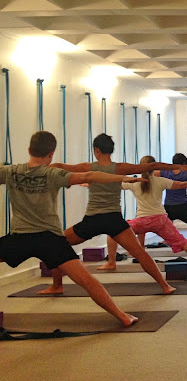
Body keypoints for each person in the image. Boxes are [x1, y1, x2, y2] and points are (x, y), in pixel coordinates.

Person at [0, 131, 140, 326]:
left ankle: (121, 316)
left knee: (85, 279)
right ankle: (122, 316)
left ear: (29, 149)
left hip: (19, 238)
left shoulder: (10, 172)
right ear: (51, 154)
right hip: (50, 240)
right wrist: (125, 178)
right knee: (85, 280)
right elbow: (90, 175)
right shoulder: (54, 173)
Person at [39, 133, 187, 294]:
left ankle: (57, 286)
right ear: (111, 150)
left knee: (57, 245)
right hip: (114, 219)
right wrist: (180, 168)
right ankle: (165, 286)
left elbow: (62, 166)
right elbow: (148, 167)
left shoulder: (89, 167)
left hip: (93, 219)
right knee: (139, 253)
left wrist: (44, 166)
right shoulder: (119, 167)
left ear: (96, 150)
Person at [122, 155, 187, 270]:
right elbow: (183, 184)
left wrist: (115, 175)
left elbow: (117, 183)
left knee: (116, 230)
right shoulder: (160, 181)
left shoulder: (134, 182)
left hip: (141, 221)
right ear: (155, 167)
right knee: (182, 241)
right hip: (160, 221)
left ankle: (112, 262)